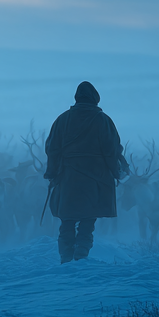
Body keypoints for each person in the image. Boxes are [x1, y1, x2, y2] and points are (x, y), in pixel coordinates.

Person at [44, 81, 126, 263]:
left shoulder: (62, 119)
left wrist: (52, 173)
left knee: (67, 220)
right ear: (95, 99)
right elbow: (112, 150)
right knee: (88, 221)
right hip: (95, 179)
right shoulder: (103, 120)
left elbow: (52, 149)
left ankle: (66, 259)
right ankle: (81, 257)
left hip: (68, 178)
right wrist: (116, 172)